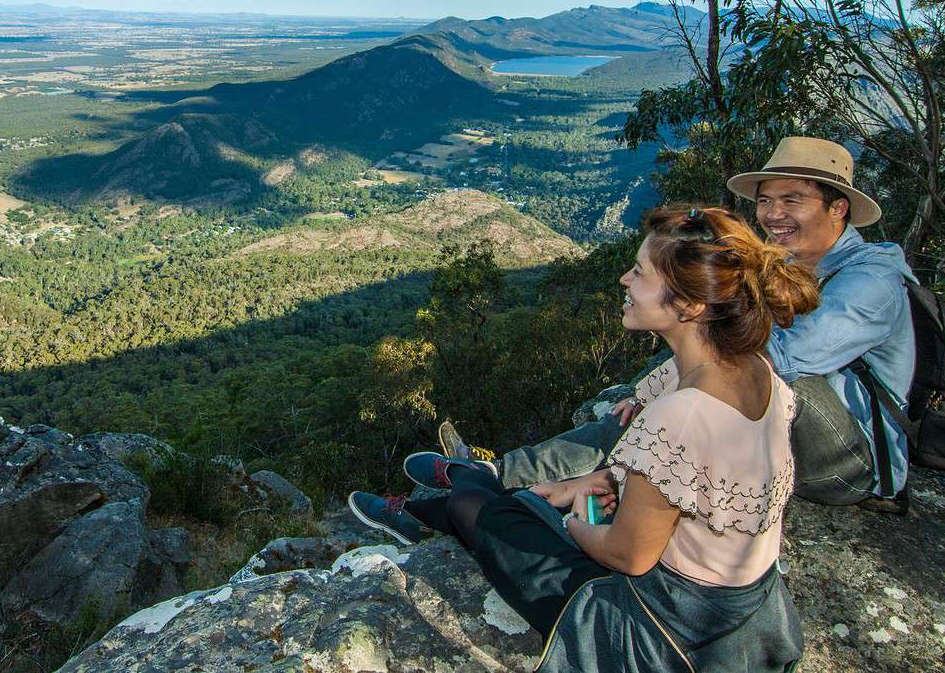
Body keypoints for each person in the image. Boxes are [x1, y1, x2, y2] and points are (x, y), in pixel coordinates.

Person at [348, 205, 814, 671]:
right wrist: (591, 482)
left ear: (689, 305)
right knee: (526, 500)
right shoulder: (755, 370)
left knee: (487, 510)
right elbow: (694, 477)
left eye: (640, 273)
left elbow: (627, 555)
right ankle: (446, 494)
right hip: (745, 610)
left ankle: (442, 498)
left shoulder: (681, 413)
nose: (624, 281)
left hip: (666, 629)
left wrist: (573, 520)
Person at [460, 137, 917, 512]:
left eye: (792, 200)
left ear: (837, 208)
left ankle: (505, 478)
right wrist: (649, 388)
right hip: (786, 434)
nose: (773, 215)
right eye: (765, 201)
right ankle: (505, 475)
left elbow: (782, 358)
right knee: (688, 358)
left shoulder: (872, 280)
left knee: (715, 366)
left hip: (850, 462)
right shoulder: (787, 263)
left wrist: (668, 389)